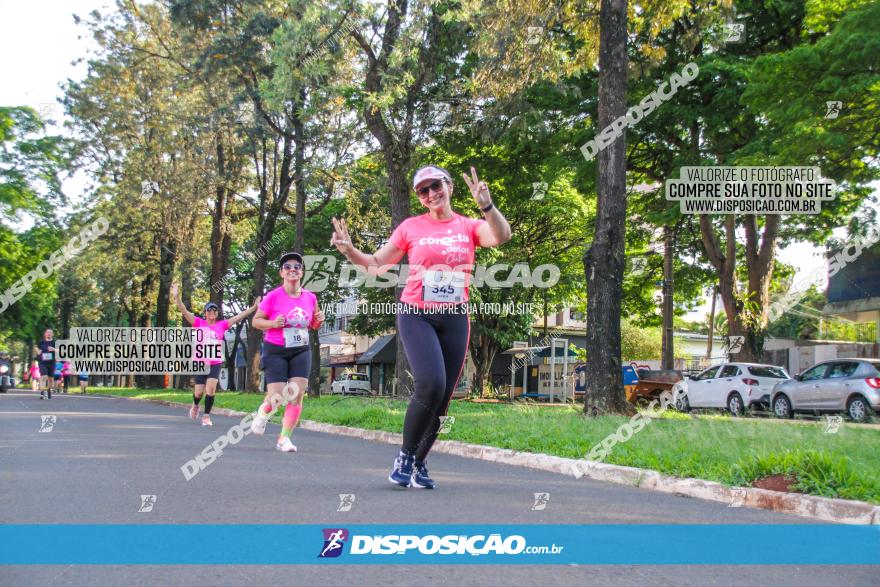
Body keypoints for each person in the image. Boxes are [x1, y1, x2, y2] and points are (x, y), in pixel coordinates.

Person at [330, 165, 511, 488]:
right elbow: (375, 265)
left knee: (443, 399)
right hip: (417, 314)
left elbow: (501, 236)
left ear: (450, 186)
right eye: (423, 191)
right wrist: (350, 251)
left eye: (435, 186)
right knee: (431, 383)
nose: (431, 194)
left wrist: (486, 205)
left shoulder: (469, 226)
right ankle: (405, 455)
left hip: (454, 317)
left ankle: (420, 462)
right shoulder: (411, 227)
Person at [249, 252, 325, 452]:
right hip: (276, 350)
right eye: (288, 267)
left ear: (302, 272)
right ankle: (263, 413)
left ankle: (284, 439)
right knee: (277, 397)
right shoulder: (273, 296)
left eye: (297, 266)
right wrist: (273, 323)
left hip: (301, 349)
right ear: (281, 272)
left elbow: (314, 324)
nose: (293, 269)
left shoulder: (310, 297)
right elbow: (256, 321)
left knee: (297, 393)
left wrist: (319, 321)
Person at [171, 284, 260, 426]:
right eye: (209, 310)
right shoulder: (198, 322)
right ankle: (195, 405)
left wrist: (254, 308)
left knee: (211, 388)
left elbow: (239, 317)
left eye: (215, 310)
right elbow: (184, 311)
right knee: (199, 393)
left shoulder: (222, 325)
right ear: (205, 313)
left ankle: (206, 416)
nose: (212, 312)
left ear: (217, 313)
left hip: (215, 362)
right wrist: (176, 296)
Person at [33, 329, 57, 399]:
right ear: (45, 334)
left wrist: (54, 349)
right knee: (44, 376)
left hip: (52, 363)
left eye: (50, 333)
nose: (49, 334)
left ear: (52, 334)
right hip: (42, 362)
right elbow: (36, 347)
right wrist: (37, 350)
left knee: (50, 379)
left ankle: (49, 390)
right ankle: (42, 392)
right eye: (47, 332)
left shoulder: (55, 343)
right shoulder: (41, 342)